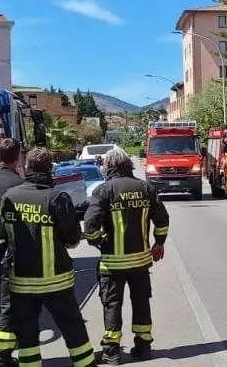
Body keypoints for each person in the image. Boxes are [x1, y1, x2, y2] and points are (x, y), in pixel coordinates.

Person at [0, 147, 96, 367]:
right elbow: (72, 239)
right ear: (50, 169)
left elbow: (2, 233)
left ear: (27, 167)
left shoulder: (10, 197)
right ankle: (85, 363)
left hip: (21, 282)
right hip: (56, 281)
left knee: (27, 333)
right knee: (72, 326)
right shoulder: (57, 198)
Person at [83, 148, 169, 364]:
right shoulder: (145, 188)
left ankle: (112, 352)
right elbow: (162, 220)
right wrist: (159, 243)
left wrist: (100, 242)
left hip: (112, 263)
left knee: (112, 304)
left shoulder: (103, 191)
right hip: (140, 261)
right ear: (128, 165)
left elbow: (90, 226)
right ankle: (143, 346)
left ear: (109, 167)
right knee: (141, 302)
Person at [0, 138, 25, 361]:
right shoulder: (19, 186)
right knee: (7, 308)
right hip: (9, 257)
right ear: (17, 157)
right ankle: (2, 356)